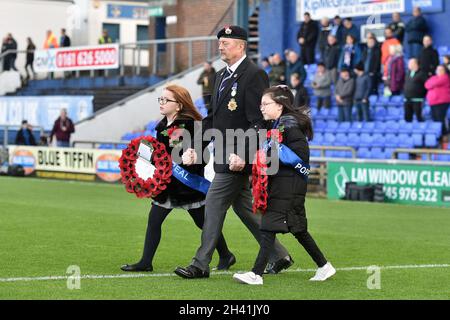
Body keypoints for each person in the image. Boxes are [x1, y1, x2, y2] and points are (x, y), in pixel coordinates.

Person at [174, 25, 292, 279]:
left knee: (213, 205)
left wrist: (244, 153)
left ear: (241, 46)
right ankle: (279, 255)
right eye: (220, 42)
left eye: (226, 42)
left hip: (239, 158)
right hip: (223, 156)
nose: (220, 46)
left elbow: (260, 121)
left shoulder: (255, 74)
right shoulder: (219, 76)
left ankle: (200, 264)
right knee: (245, 209)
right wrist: (195, 147)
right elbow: (213, 118)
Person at [121, 85, 234, 272]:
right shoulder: (161, 126)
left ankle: (226, 255)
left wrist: (187, 160)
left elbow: (196, 153)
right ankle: (145, 262)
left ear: (179, 105)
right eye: (161, 99)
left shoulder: (188, 125)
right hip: (167, 185)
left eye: (166, 100)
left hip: (187, 185)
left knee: (204, 223)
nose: (162, 103)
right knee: (154, 220)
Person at [232, 86, 336, 285]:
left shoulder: (289, 126)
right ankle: (324, 266)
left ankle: (256, 274)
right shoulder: (278, 126)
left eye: (265, 104)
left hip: (288, 184)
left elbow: (301, 158)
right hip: (282, 183)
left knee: (268, 227)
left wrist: (273, 153)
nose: (261, 108)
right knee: (298, 228)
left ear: (279, 106)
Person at [425, 65, 450, 136]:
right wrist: (432, 83)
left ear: (444, 71)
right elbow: (426, 85)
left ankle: (444, 134)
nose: (438, 71)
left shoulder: (445, 77)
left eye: (441, 69)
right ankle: (438, 135)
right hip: (433, 102)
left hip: (442, 102)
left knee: (440, 119)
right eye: (437, 69)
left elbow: (433, 83)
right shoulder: (434, 77)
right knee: (435, 118)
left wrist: (432, 83)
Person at [403, 58, 427, 122]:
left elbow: (427, 85)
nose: (408, 65)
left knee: (419, 116)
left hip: (417, 99)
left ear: (415, 64)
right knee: (407, 117)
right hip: (407, 99)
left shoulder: (422, 73)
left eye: (410, 63)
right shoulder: (408, 73)